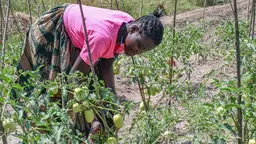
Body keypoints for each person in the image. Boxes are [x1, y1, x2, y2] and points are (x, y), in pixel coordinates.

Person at [16, 2, 164, 140]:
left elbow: (106, 64)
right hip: (56, 28)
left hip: (83, 37)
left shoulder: (127, 28)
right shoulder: (102, 38)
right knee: (52, 89)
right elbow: (73, 77)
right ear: (133, 30)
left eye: (143, 50)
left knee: (90, 92)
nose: (137, 51)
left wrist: (112, 101)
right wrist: (93, 117)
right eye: (139, 45)